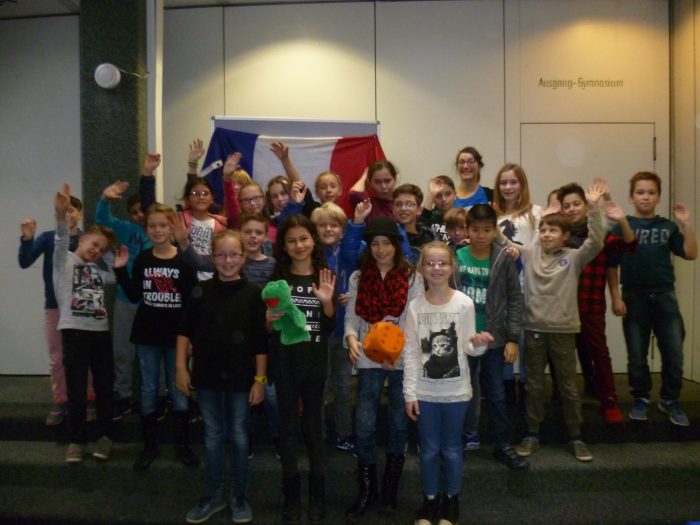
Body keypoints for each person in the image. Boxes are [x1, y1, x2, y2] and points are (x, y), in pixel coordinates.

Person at [513, 182, 612, 462]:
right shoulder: (530, 254)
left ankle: (576, 436)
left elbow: (596, 241)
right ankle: (532, 433)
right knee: (533, 385)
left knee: (568, 386)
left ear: (565, 236)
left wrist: (593, 208)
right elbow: (503, 242)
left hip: (564, 332)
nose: (546, 234)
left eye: (553, 230)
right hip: (533, 330)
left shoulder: (574, 257)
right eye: (543, 230)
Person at [176, 229, 268, 524]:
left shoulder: (254, 294)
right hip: (207, 378)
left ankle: (239, 495)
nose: (227, 260)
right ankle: (214, 495)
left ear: (243, 258)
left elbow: (259, 342)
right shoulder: (200, 291)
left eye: (233, 255)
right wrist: (181, 368)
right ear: (212, 257)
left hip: (242, 381)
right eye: (221, 255)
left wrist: (260, 380)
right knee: (213, 437)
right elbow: (183, 332)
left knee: (240, 437)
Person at [404, 241, 493, 525]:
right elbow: (410, 352)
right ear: (421, 269)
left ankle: (452, 500)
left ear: (452, 266)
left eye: (442, 262)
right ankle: (430, 500)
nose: (436, 268)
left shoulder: (463, 303)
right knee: (428, 450)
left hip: (456, 392)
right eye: (430, 263)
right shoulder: (415, 306)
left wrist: (478, 344)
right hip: (425, 392)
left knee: (452, 449)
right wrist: (409, 393)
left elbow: (468, 347)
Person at [344, 216, 424, 519]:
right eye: (375, 243)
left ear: (397, 245)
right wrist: (351, 338)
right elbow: (352, 317)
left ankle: (391, 488)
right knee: (363, 424)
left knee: (398, 423)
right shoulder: (357, 277)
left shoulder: (411, 277)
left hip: (401, 357)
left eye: (386, 243)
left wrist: (398, 351)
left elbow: (411, 321)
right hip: (367, 356)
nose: (380, 250)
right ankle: (367, 489)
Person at [113, 203, 199, 471]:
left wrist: (192, 337)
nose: (158, 230)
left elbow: (192, 301)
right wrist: (119, 270)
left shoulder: (183, 260)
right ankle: (149, 445)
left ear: (172, 227)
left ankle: (182, 446)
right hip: (148, 335)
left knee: (179, 389)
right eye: (153, 226)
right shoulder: (143, 259)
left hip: (177, 338)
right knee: (149, 389)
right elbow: (135, 294)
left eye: (163, 225)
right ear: (146, 229)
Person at [607, 172, 697, 426]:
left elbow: (691, 253)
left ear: (658, 196)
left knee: (674, 352)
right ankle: (641, 398)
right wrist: (615, 298)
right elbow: (611, 266)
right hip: (633, 297)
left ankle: (670, 400)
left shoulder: (667, 227)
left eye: (651, 192)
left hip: (665, 296)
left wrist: (687, 224)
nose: (645, 197)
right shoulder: (621, 226)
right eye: (640, 192)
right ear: (631, 196)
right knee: (636, 354)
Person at [267, 216, 336, 523]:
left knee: (314, 428)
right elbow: (268, 327)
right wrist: (267, 322)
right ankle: (291, 496)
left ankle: (318, 496)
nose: (299, 245)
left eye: (304, 238)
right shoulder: (277, 279)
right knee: (288, 429)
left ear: (313, 240)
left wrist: (327, 302)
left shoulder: (323, 276)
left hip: (315, 364)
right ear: (284, 245)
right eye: (292, 240)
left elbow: (330, 325)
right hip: (284, 365)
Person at [456, 205, 528, 470]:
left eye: (487, 230)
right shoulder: (457, 257)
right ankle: (459, 441)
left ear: (494, 230)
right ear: (467, 230)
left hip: (495, 342)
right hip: (463, 341)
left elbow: (515, 300)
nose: (481, 235)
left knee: (496, 393)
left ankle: (502, 444)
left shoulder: (502, 259)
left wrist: (511, 338)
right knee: (462, 391)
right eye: (475, 230)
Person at [558, 181, 636, 424]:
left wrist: (621, 219)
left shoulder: (601, 233)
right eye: (566, 206)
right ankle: (565, 403)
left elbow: (630, 245)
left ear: (585, 205)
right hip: (563, 308)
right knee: (564, 358)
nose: (571, 209)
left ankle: (609, 401)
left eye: (576, 204)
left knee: (599, 353)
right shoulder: (558, 236)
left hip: (591, 305)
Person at [52, 184, 118, 463]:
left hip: (100, 335)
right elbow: (59, 238)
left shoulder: (101, 271)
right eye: (93, 244)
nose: (96, 250)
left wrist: (111, 247)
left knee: (104, 387)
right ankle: (77, 440)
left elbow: (115, 268)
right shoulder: (63, 261)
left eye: (101, 249)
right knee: (77, 390)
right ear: (80, 241)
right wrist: (61, 215)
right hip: (74, 333)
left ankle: (104, 436)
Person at [18, 195, 96, 427]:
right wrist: (27, 239)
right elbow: (24, 261)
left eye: (72, 210)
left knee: (86, 354)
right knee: (57, 356)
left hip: (82, 305)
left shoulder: (87, 239)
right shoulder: (47, 238)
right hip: (54, 305)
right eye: (64, 211)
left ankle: (89, 398)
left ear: (80, 214)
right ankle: (61, 400)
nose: (68, 214)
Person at [96, 175, 151, 421]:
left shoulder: (159, 230)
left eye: (142, 210)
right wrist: (104, 200)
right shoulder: (127, 229)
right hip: (125, 299)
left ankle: (157, 395)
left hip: (153, 302)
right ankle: (123, 395)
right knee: (122, 350)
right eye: (134, 212)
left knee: (152, 353)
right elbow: (102, 220)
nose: (139, 215)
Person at [492, 163, 542, 410]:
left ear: (522, 184)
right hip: (498, 290)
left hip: (525, 288)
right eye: (503, 182)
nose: (508, 187)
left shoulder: (535, 213)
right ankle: (505, 396)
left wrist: (517, 251)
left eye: (513, 182)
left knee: (524, 345)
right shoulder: (493, 214)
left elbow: (537, 252)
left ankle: (526, 394)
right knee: (503, 344)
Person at [309, 202, 356, 455]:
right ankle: (319, 435)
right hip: (318, 329)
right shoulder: (312, 253)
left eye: (334, 224)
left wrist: (354, 296)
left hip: (344, 329)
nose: (328, 229)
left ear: (343, 228)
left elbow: (364, 279)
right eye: (322, 225)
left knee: (343, 385)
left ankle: (344, 434)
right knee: (319, 383)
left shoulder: (355, 249)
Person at [393, 183, 435, 263]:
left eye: (409, 204)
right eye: (398, 204)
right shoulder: (389, 235)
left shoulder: (427, 235)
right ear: (393, 210)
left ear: (419, 210)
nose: (403, 208)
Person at [420, 175, 457, 243]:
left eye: (448, 194)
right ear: (433, 198)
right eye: (438, 195)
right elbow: (421, 229)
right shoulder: (429, 218)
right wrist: (431, 193)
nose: (443, 199)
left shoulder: (462, 217)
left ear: (455, 195)